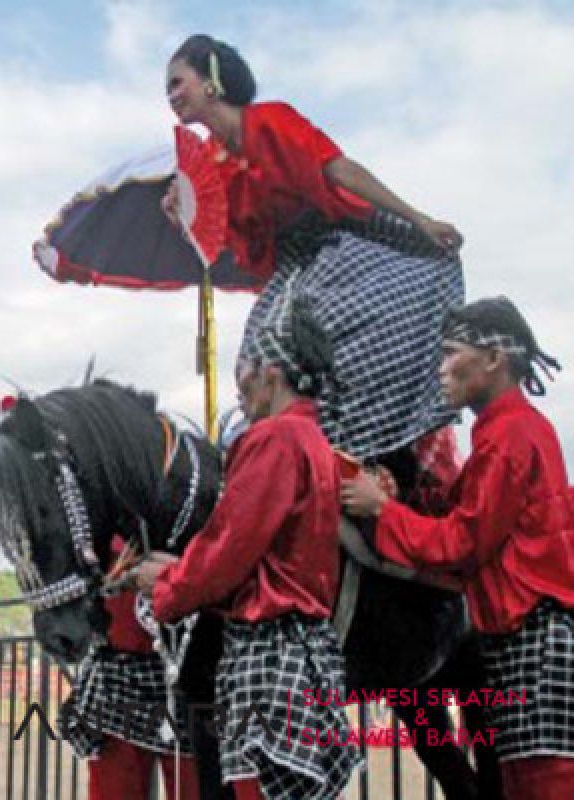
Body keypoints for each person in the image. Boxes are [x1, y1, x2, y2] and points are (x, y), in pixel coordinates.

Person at [163, 34, 464, 468]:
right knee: (256, 351)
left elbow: (340, 170)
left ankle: (355, 447)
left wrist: (419, 219)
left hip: (340, 241)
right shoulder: (211, 160)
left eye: (177, 82)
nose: (172, 96)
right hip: (293, 264)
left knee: (326, 329)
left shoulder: (270, 122)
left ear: (211, 81)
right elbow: (229, 236)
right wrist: (185, 216)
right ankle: (286, 454)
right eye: (168, 90)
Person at [342, 296, 573, 799]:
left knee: (543, 786)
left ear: (493, 359)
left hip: (531, 639)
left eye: (450, 354)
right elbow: (458, 504)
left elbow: (463, 541)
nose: (441, 369)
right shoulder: (510, 431)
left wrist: (381, 512)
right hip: (523, 639)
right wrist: (403, 493)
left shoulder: (509, 436)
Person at [136, 294, 362, 800]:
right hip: (304, 651)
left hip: (268, 655)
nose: (239, 381)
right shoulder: (313, 440)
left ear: (272, 371)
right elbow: (260, 552)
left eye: (245, 366)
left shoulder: (274, 438)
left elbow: (227, 548)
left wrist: (167, 586)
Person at [60, 537, 200, 800]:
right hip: (118, 679)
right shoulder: (98, 535)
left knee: (194, 785)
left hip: (187, 675)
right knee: (116, 787)